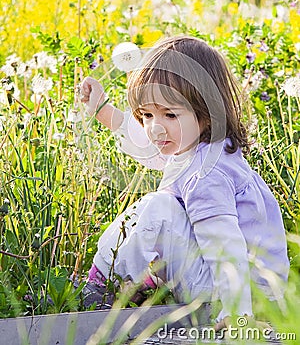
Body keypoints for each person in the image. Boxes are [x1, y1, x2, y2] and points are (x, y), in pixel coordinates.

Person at [80, 35, 289, 329]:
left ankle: (99, 286)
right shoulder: (197, 148)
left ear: (206, 114)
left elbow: (225, 246)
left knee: (158, 208)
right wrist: (102, 109)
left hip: (237, 296)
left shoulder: (207, 175)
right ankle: (137, 279)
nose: (154, 127)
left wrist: (237, 315)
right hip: (245, 291)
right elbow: (146, 144)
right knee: (160, 211)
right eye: (147, 114)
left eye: (169, 114)